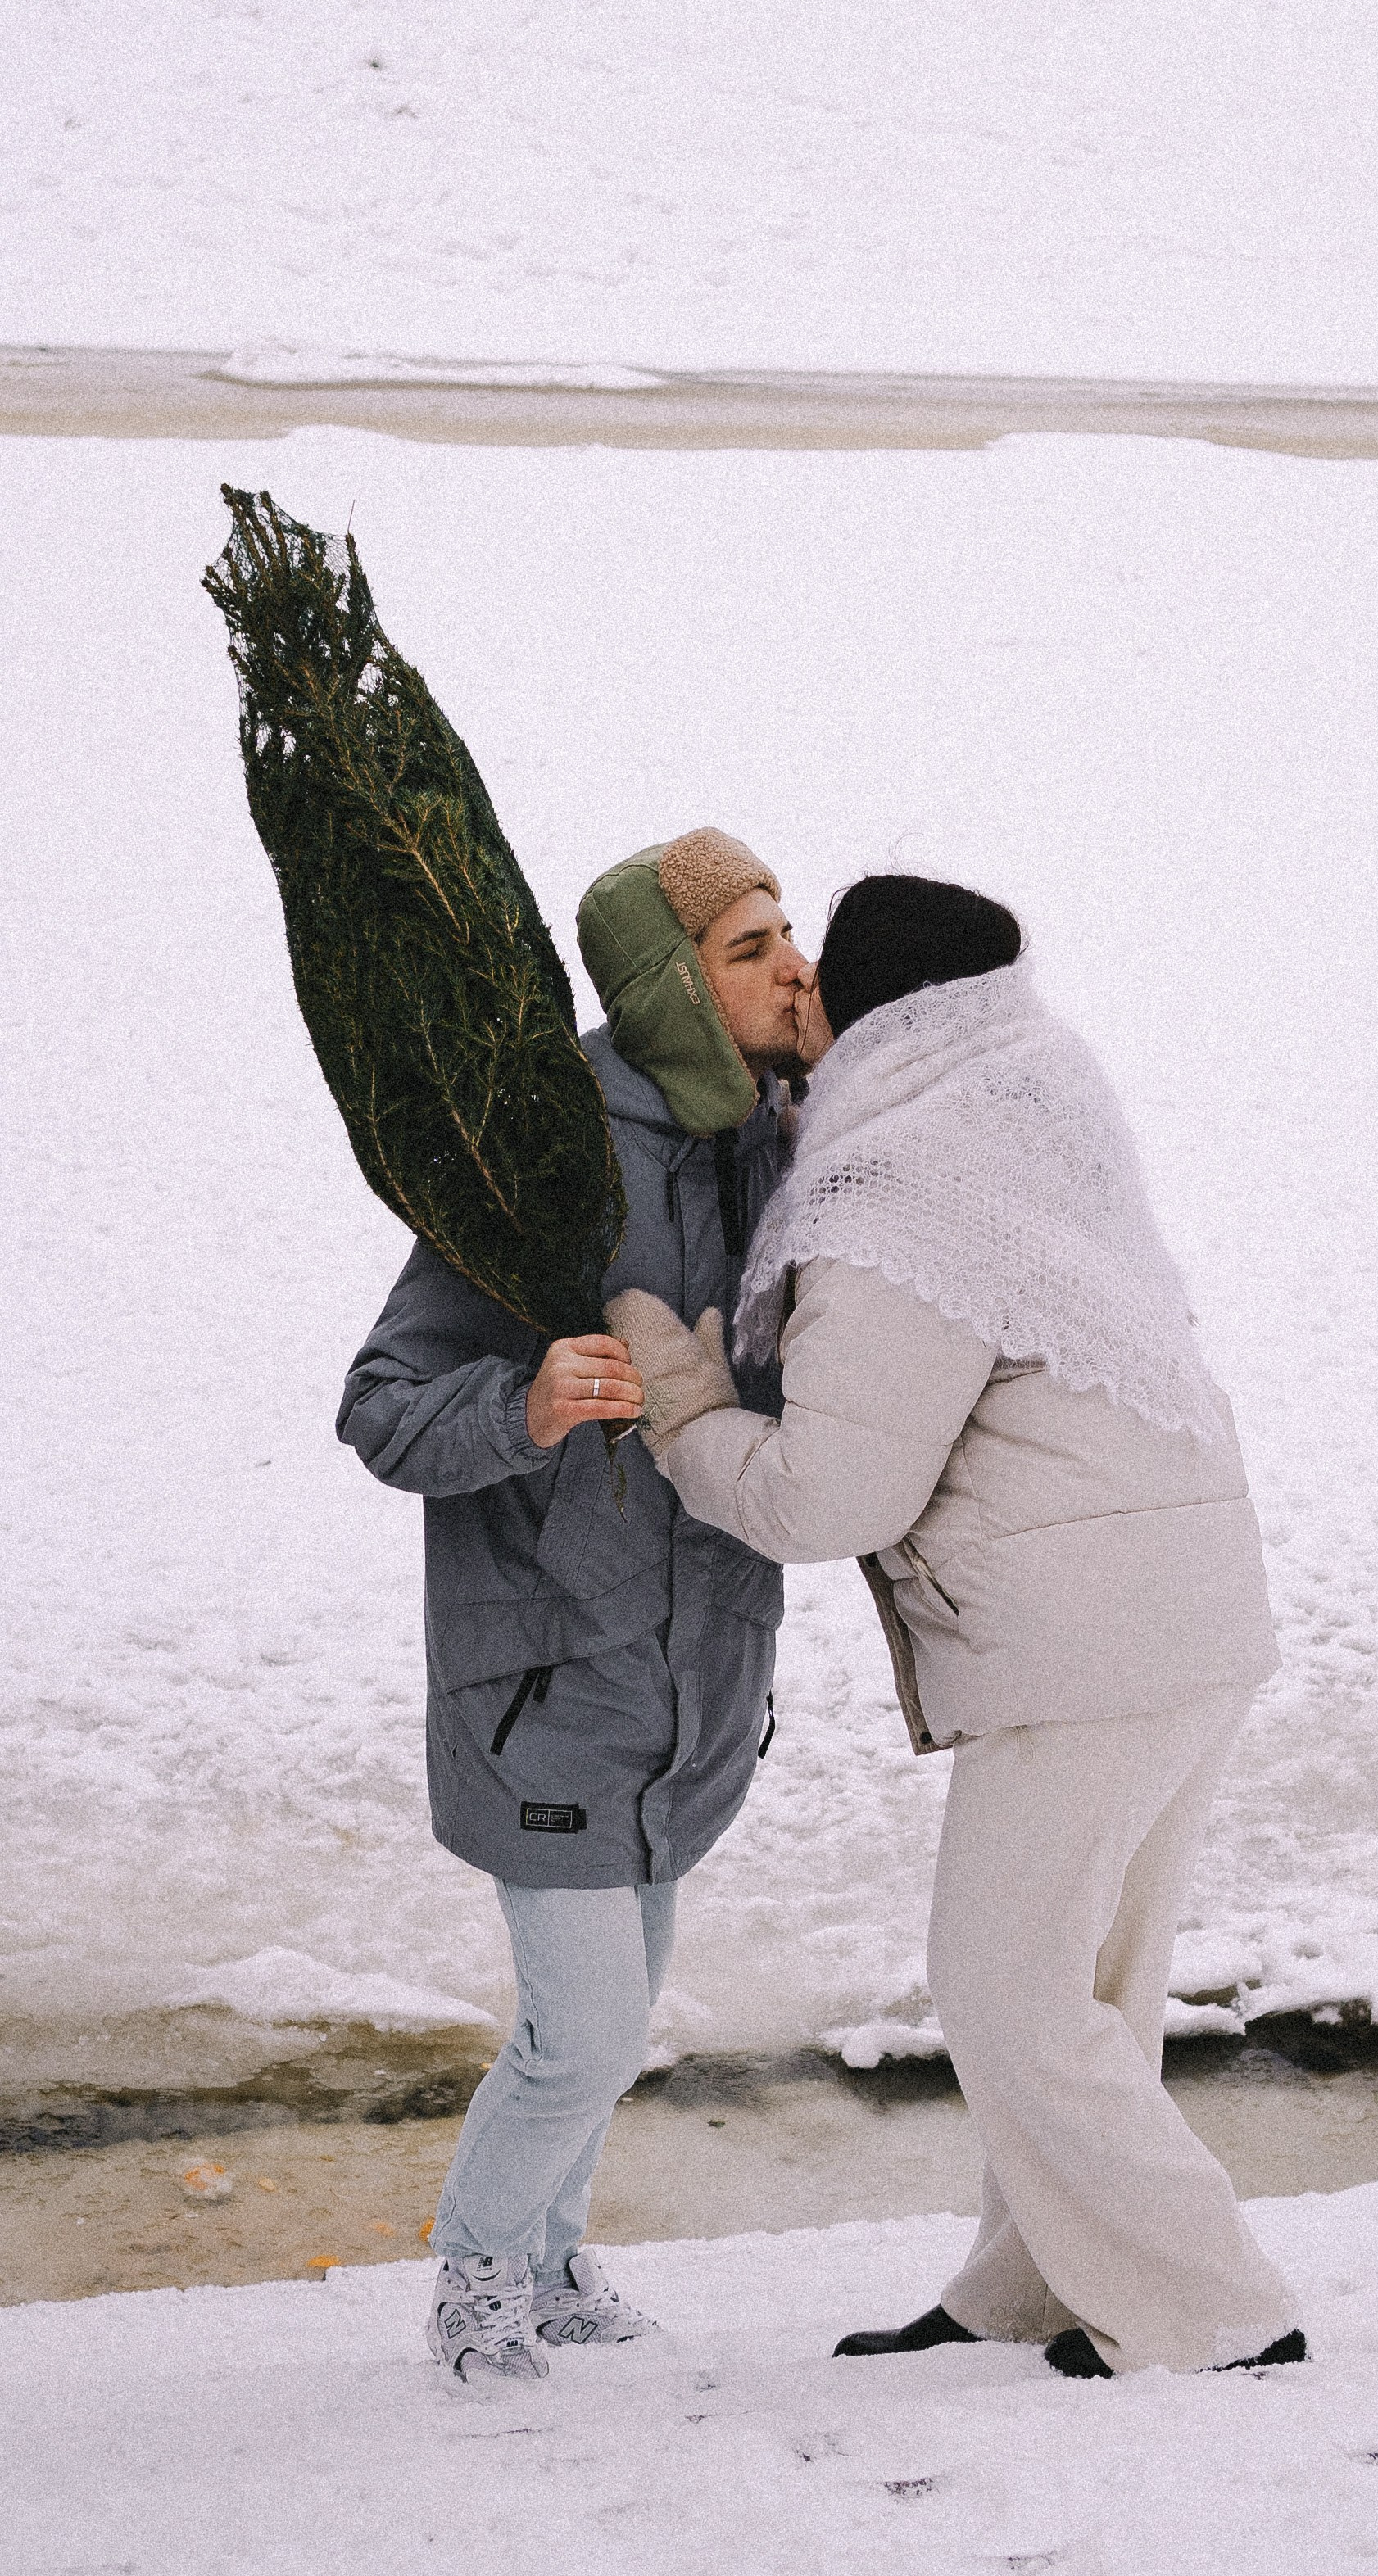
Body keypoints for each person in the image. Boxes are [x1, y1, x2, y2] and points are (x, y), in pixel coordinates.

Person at [609, 874, 1303, 2379]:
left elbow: (824, 1495)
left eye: (816, 979)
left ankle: (1218, 2316)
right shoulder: (1026, 1092)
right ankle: (1035, 2284)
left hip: (1088, 1644)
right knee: (1085, 1987)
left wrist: (680, 1406)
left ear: (874, 1018)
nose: (796, 994)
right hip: (1182, 1609)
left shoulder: (893, 1198)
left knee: (1004, 1991)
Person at [338, 828, 813, 2391]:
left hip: (693, 1681)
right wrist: (527, 1403)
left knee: (619, 2017)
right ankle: (474, 2275)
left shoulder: (776, 1147)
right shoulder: (539, 1154)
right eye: (748, 949)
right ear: (673, 983)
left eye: (785, 934)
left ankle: (548, 2261)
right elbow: (383, 1400)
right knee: (587, 2032)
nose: (789, 966)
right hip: (543, 1680)